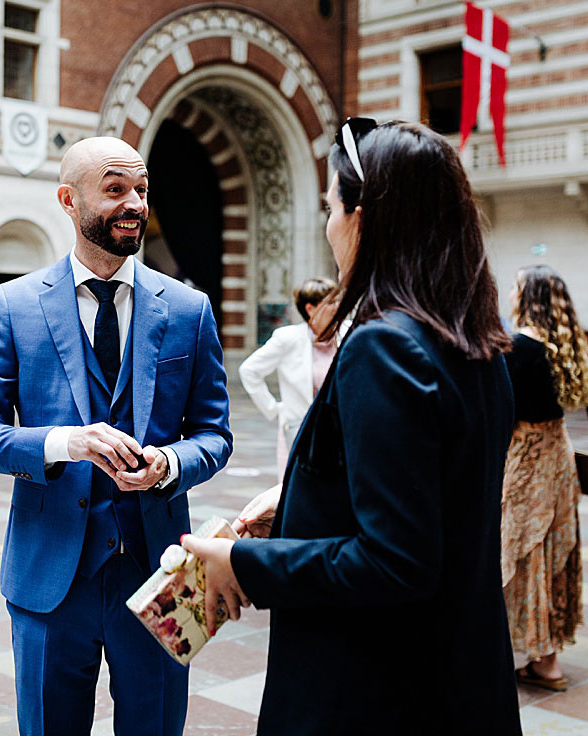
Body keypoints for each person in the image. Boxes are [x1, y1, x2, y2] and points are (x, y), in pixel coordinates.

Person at [183, 119, 522, 735]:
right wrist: (297, 502)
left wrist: (244, 561)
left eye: (332, 208)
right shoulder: (479, 344)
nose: (329, 226)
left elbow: (395, 561)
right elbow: (434, 490)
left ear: (363, 217)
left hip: (376, 687)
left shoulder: (383, 348)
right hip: (463, 672)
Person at [0, 136, 232, 736]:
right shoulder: (16, 303)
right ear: (68, 199)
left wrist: (167, 462)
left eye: (141, 190)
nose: (134, 202)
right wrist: (64, 443)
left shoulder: (190, 308)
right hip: (48, 576)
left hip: (164, 575)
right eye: (114, 189)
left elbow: (214, 435)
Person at [502, 265, 588, 691]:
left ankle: (527, 654)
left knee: (518, 551)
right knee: (551, 553)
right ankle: (547, 660)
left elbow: (503, 412)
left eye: (517, 287)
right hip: (558, 458)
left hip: (525, 460)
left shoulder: (517, 347)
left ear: (529, 297)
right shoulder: (565, 345)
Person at [238, 277, 339, 476]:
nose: (339, 307)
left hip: (340, 431)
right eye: (332, 303)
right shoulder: (288, 338)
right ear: (311, 309)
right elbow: (249, 370)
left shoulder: (348, 332)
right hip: (300, 430)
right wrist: (273, 409)